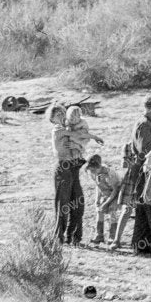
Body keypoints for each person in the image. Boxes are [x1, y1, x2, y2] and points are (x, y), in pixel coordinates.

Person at [123, 92, 151, 256]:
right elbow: (145, 150)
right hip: (143, 169)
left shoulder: (145, 122)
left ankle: (140, 245)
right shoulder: (145, 125)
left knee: (142, 207)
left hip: (141, 169)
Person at [50, 104, 96, 246]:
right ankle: (58, 238)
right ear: (52, 118)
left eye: (63, 112)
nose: (61, 115)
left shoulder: (70, 127)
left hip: (73, 168)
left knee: (78, 203)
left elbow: (81, 139)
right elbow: (79, 136)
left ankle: (74, 238)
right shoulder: (58, 130)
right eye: (57, 114)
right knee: (63, 205)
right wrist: (94, 136)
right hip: (63, 169)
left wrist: (79, 144)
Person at [82, 152, 124, 247]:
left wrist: (106, 203)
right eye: (90, 169)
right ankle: (99, 235)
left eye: (93, 169)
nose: (91, 171)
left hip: (115, 193)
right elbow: (98, 185)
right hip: (104, 192)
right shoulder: (93, 173)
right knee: (99, 211)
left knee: (112, 212)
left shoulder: (109, 174)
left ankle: (112, 236)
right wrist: (97, 199)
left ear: (98, 166)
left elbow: (115, 189)